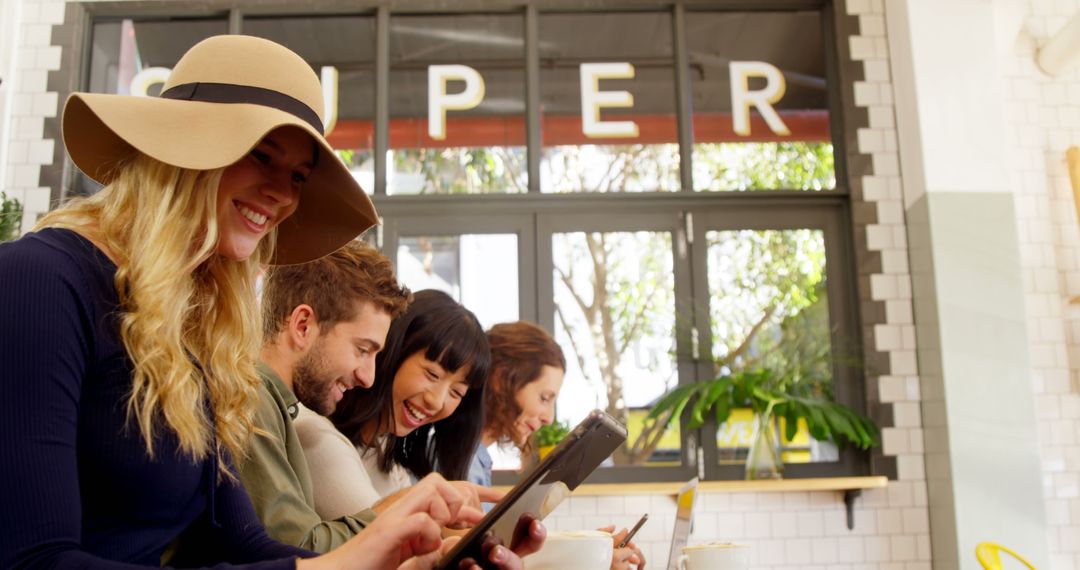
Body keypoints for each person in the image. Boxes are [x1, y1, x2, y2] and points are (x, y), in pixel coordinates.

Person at [0, 34, 540, 570]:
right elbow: (34, 560)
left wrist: (426, 557)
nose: (283, 194)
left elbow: (237, 545)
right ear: (182, 146)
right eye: (261, 155)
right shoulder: (40, 282)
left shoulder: (193, 332)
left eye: (299, 176)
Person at [240, 240, 504, 552]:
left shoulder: (280, 409)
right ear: (302, 325)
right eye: (363, 350)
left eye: (457, 392)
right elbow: (301, 546)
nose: (368, 377)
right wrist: (409, 507)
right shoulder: (277, 414)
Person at [297, 290, 491, 519]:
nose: (436, 401)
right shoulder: (316, 436)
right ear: (392, 352)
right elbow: (383, 540)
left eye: (456, 392)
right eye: (432, 374)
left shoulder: (386, 457)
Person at [473, 321, 646, 570]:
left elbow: (500, 557)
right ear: (501, 379)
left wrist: (588, 552)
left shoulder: (477, 461)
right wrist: (588, 560)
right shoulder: (462, 464)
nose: (549, 418)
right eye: (544, 398)